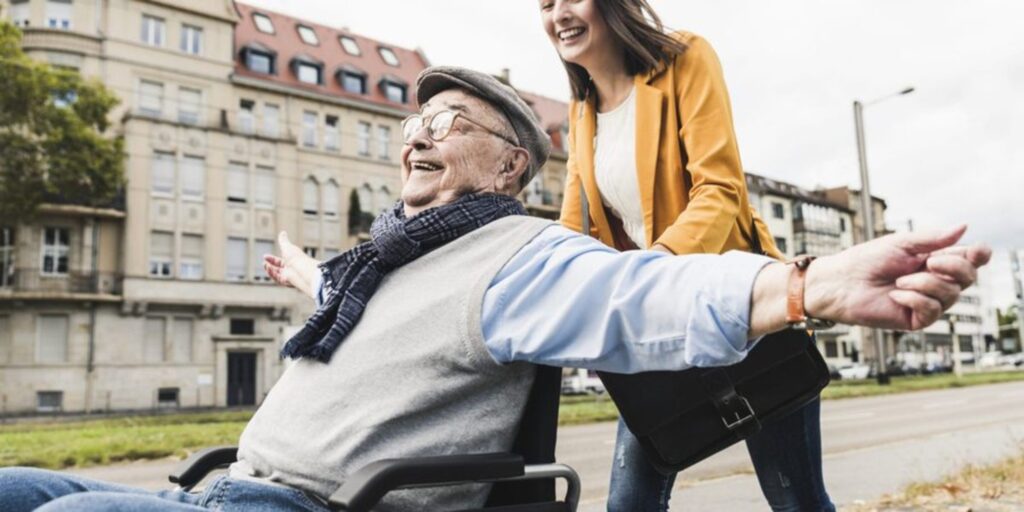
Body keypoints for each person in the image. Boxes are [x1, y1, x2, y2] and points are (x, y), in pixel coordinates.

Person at [0, 67, 990, 512]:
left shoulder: (517, 250)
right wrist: (308, 275)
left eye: (454, 119)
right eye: (417, 117)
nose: (421, 129)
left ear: (511, 164)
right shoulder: (379, 260)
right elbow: (353, 327)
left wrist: (807, 281)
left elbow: (638, 295)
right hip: (219, 486)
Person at [539, 0, 833, 509]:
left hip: (746, 311)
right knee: (629, 504)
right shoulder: (581, 111)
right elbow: (574, 228)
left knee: (797, 501)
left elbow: (720, 189)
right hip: (660, 327)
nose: (558, 13)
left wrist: (651, 274)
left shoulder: (686, 58)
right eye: (545, 3)